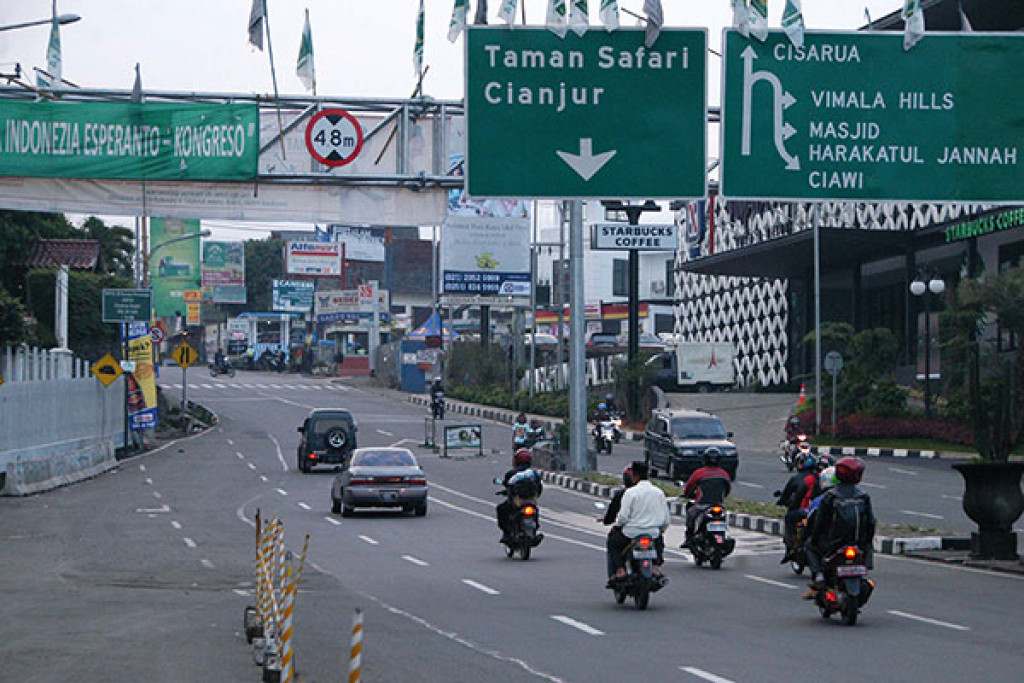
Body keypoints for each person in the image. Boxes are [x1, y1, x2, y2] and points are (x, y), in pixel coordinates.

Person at [804, 457, 876, 596]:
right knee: (868, 547)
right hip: (857, 542)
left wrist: (814, 539)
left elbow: (820, 522)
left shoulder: (830, 496)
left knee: (809, 546)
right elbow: (871, 522)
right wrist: (867, 541)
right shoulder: (863, 496)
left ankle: (819, 575)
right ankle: (865, 570)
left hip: (833, 544)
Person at [606, 461, 669, 584]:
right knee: (659, 542)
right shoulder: (658, 493)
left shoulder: (630, 493)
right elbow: (666, 518)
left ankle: (620, 569)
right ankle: (655, 567)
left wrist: (617, 526)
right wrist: (661, 530)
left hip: (631, 534)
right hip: (652, 533)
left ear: (634, 476)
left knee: (613, 542)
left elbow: (623, 517)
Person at [681, 448, 734, 550]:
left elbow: (689, 488)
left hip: (702, 505)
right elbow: (728, 489)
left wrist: (687, 494)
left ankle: (689, 538)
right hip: (719, 505)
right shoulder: (724, 474)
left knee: (690, 514)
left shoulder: (699, 473)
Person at [776, 451, 820, 563]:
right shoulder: (819, 477)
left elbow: (789, 495)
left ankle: (792, 545)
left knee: (789, 518)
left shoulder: (798, 479)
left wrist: (781, 501)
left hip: (804, 510)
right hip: (817, 510)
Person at [496, 448, 544, 544]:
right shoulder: (534, 474)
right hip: (531, 501)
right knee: (536, 511)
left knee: (501, 509)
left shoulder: (511, 473)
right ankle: (533, 531)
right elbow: (539, 488)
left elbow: (507, 486)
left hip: (517, 503)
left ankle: (507, 533)